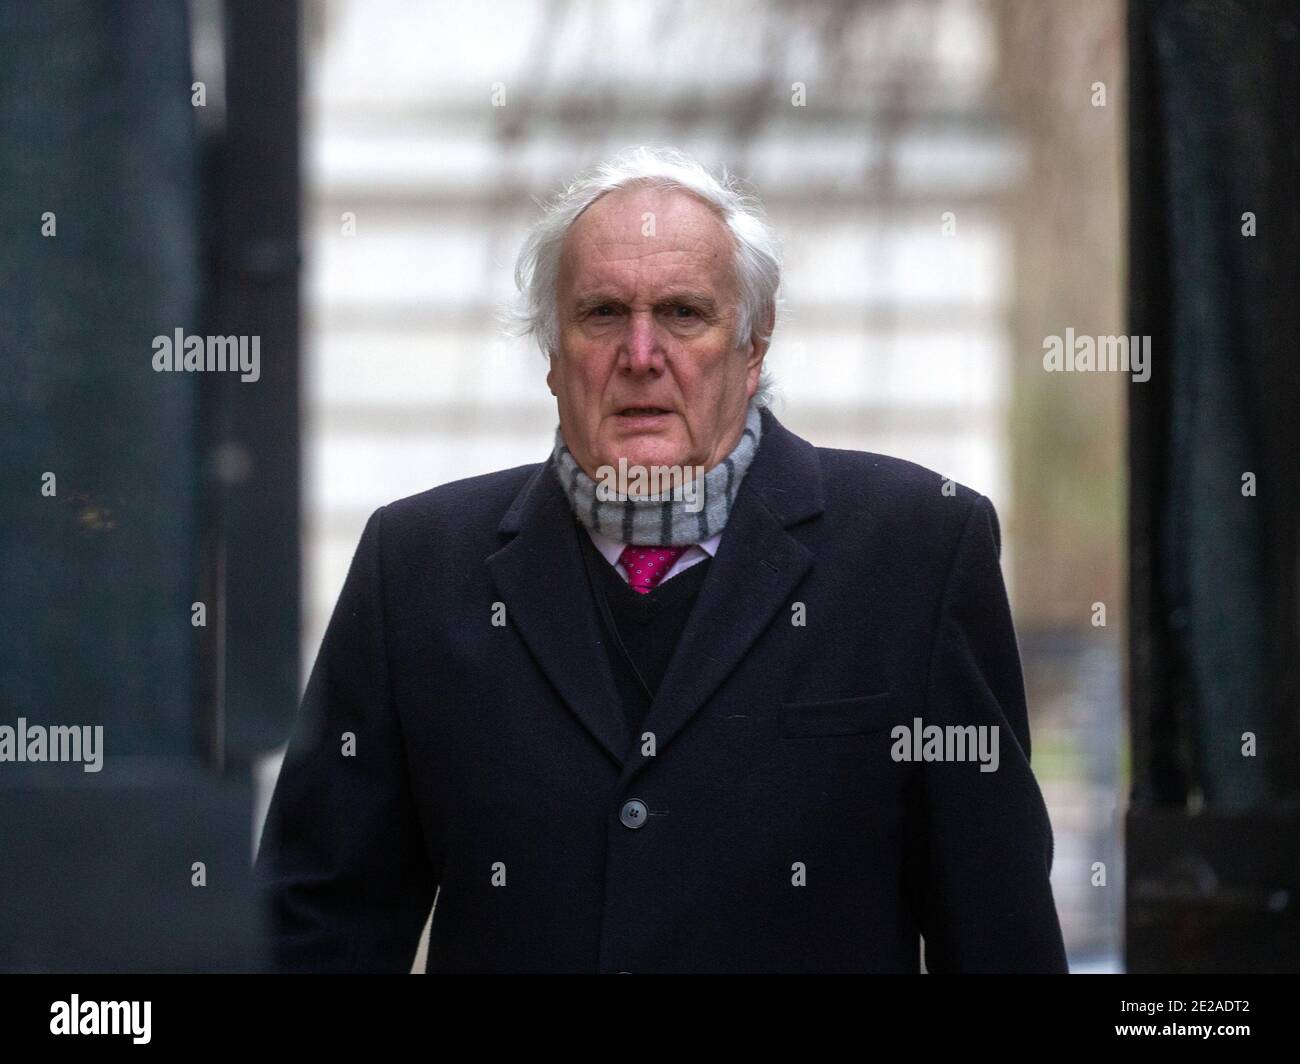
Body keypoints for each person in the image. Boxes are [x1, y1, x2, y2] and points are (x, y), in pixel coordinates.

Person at [255, 146, 1068, 973]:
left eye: (683, 313)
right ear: (552, 351)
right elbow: (316, 933)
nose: (641, 354)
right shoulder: (417, 569)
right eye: (603, 313)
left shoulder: (918, 551)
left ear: (754, 347)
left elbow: (1000, 933)